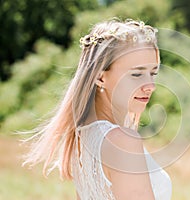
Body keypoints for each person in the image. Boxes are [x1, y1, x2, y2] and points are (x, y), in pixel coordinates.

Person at [23, 19, 172, 200]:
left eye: (153, 73)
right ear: (100, 77)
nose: (150, 85)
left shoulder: (83, 136)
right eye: (136, 74)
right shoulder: (122, 141)